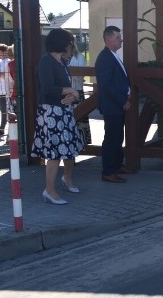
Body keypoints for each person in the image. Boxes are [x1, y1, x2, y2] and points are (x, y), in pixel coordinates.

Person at [30, 29, 84, 204]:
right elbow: (47, 88)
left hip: (63, 111)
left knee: (70, 147)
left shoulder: (62, 62)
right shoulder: (46, 62)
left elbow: (61, 87)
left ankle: (67, 178)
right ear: (61, 43)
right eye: (69, 41)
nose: (71, 44)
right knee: (54, 153)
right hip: (51, 113)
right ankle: (49, 190)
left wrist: (70, 97)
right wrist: (69, 90)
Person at [95, 25, 132, 183]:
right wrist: (122, 100)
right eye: (118, 37)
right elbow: (106, 84)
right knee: (111, 138)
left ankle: (117, 164)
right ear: (108, 39)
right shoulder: (105, 58)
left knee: (118, 137)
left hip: (117, 105)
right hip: (112, 105)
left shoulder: (113, 55)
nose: (121, 39)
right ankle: (108, 171)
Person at [66, 40, 91, 145]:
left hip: (76, 92)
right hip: (64, 94)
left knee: (79, 120)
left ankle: (80, 145)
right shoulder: (59, 58)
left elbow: (81, 75)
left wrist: (70, 72)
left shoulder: (79, 57)